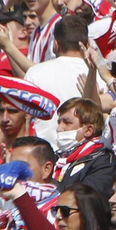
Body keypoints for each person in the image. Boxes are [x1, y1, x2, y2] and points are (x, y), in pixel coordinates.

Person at [23, 15, 92, 143]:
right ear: (87, 44)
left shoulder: (35, 73)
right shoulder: (97, 74)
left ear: (56, 44)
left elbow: (25, 117)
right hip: (89, 153)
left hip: (44, 154)